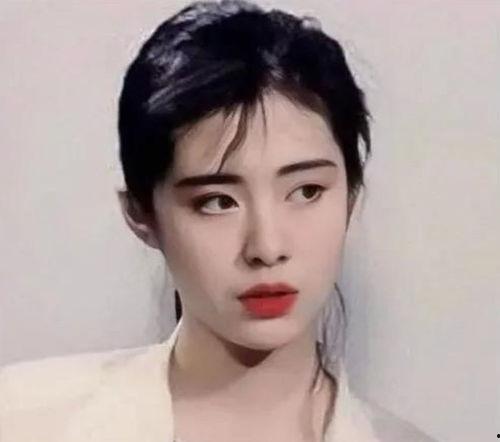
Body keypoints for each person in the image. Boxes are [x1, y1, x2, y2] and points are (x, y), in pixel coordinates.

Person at [0, 1, 437, 441]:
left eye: (306, 191)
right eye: (216, 202)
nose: (267, 247)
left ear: (350, 199)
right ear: (141, 214)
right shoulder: (23, 420)